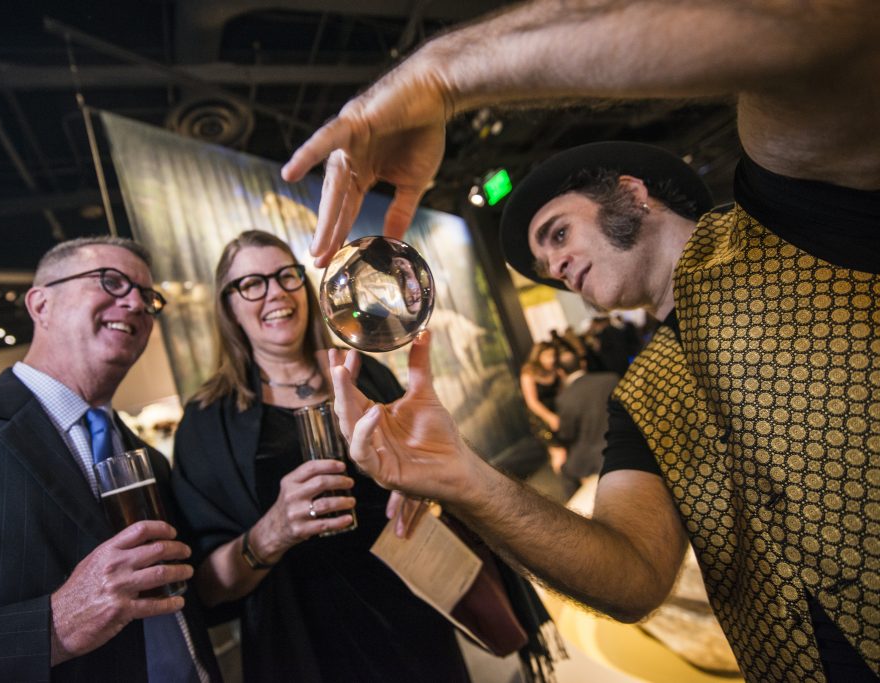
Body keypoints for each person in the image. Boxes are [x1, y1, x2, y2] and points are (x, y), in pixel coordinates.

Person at [281, 4, 878, 681]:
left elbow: (825, 29)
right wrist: (467, 479)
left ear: (632, 192)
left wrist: (441, 76)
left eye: (558, 234)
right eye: (543, 264)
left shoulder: (791, 221)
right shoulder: (645, 396)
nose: (555, 268)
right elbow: (631, 574)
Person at [0, 236, 222, 682]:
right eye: (111, 281)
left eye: (149, 296)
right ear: (40, 304)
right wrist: (50, 628)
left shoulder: (149, 462)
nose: (136, 303)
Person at [169, 230, 471, 683]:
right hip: (301, 642)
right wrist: (273, 531)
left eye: (286, 276)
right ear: (229, 306)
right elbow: (206, 587)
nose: (275, 292)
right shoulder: (207, 421)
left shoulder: (364, 371)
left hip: (407, 617)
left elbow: (430, 469)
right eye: (251, 284)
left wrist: (420, 492)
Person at [547, 346, 618, 498]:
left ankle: (576, 516)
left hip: (591, 457)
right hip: (620, 444)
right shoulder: (611, 379)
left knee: (564, 470)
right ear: (583, 364)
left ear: (560, 372)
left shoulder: (564, 398)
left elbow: (567, 434)